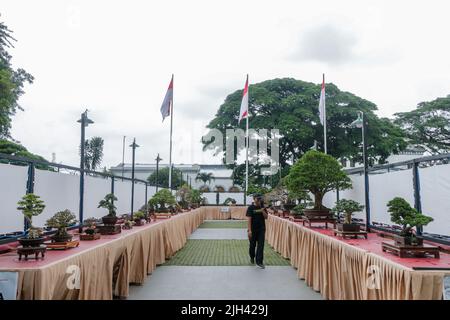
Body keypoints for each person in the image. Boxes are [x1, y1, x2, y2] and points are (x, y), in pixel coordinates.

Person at [246, 194, 268, 269]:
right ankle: (252, 256)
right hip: (253, 229)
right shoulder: (250, 208)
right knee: (252, 245)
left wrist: (262, 211)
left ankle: (259, 262)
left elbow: (266, 217)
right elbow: (249, 219)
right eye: (257, 198)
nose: (259, 200)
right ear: (254, 199)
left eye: (260, 198)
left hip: (261, 229)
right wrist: (249, 230)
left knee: (261, 245)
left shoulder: (262, 207)